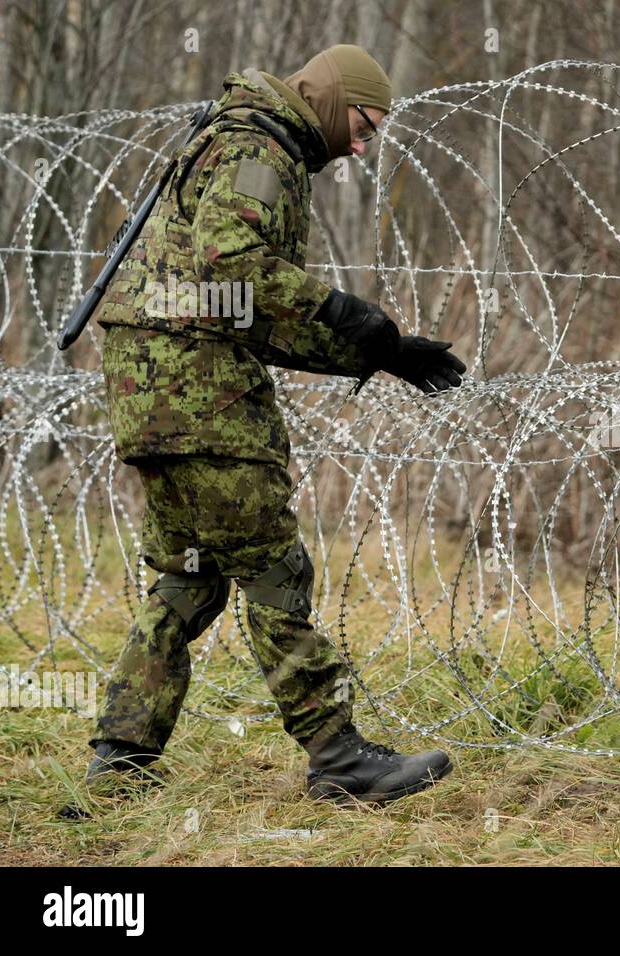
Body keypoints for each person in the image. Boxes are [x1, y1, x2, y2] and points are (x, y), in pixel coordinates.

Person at [86, 45, 466, 805]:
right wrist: (343, 308)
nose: (363, 145)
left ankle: (121, 758)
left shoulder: (248, 137)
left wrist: (374, 351)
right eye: (364, 125)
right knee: (272, 567)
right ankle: (339, 758)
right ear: (331, 99)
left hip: (158, 391)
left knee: (192, 575)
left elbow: (246, 309)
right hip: (202, 399)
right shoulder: (258, 145)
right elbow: (234, 264)